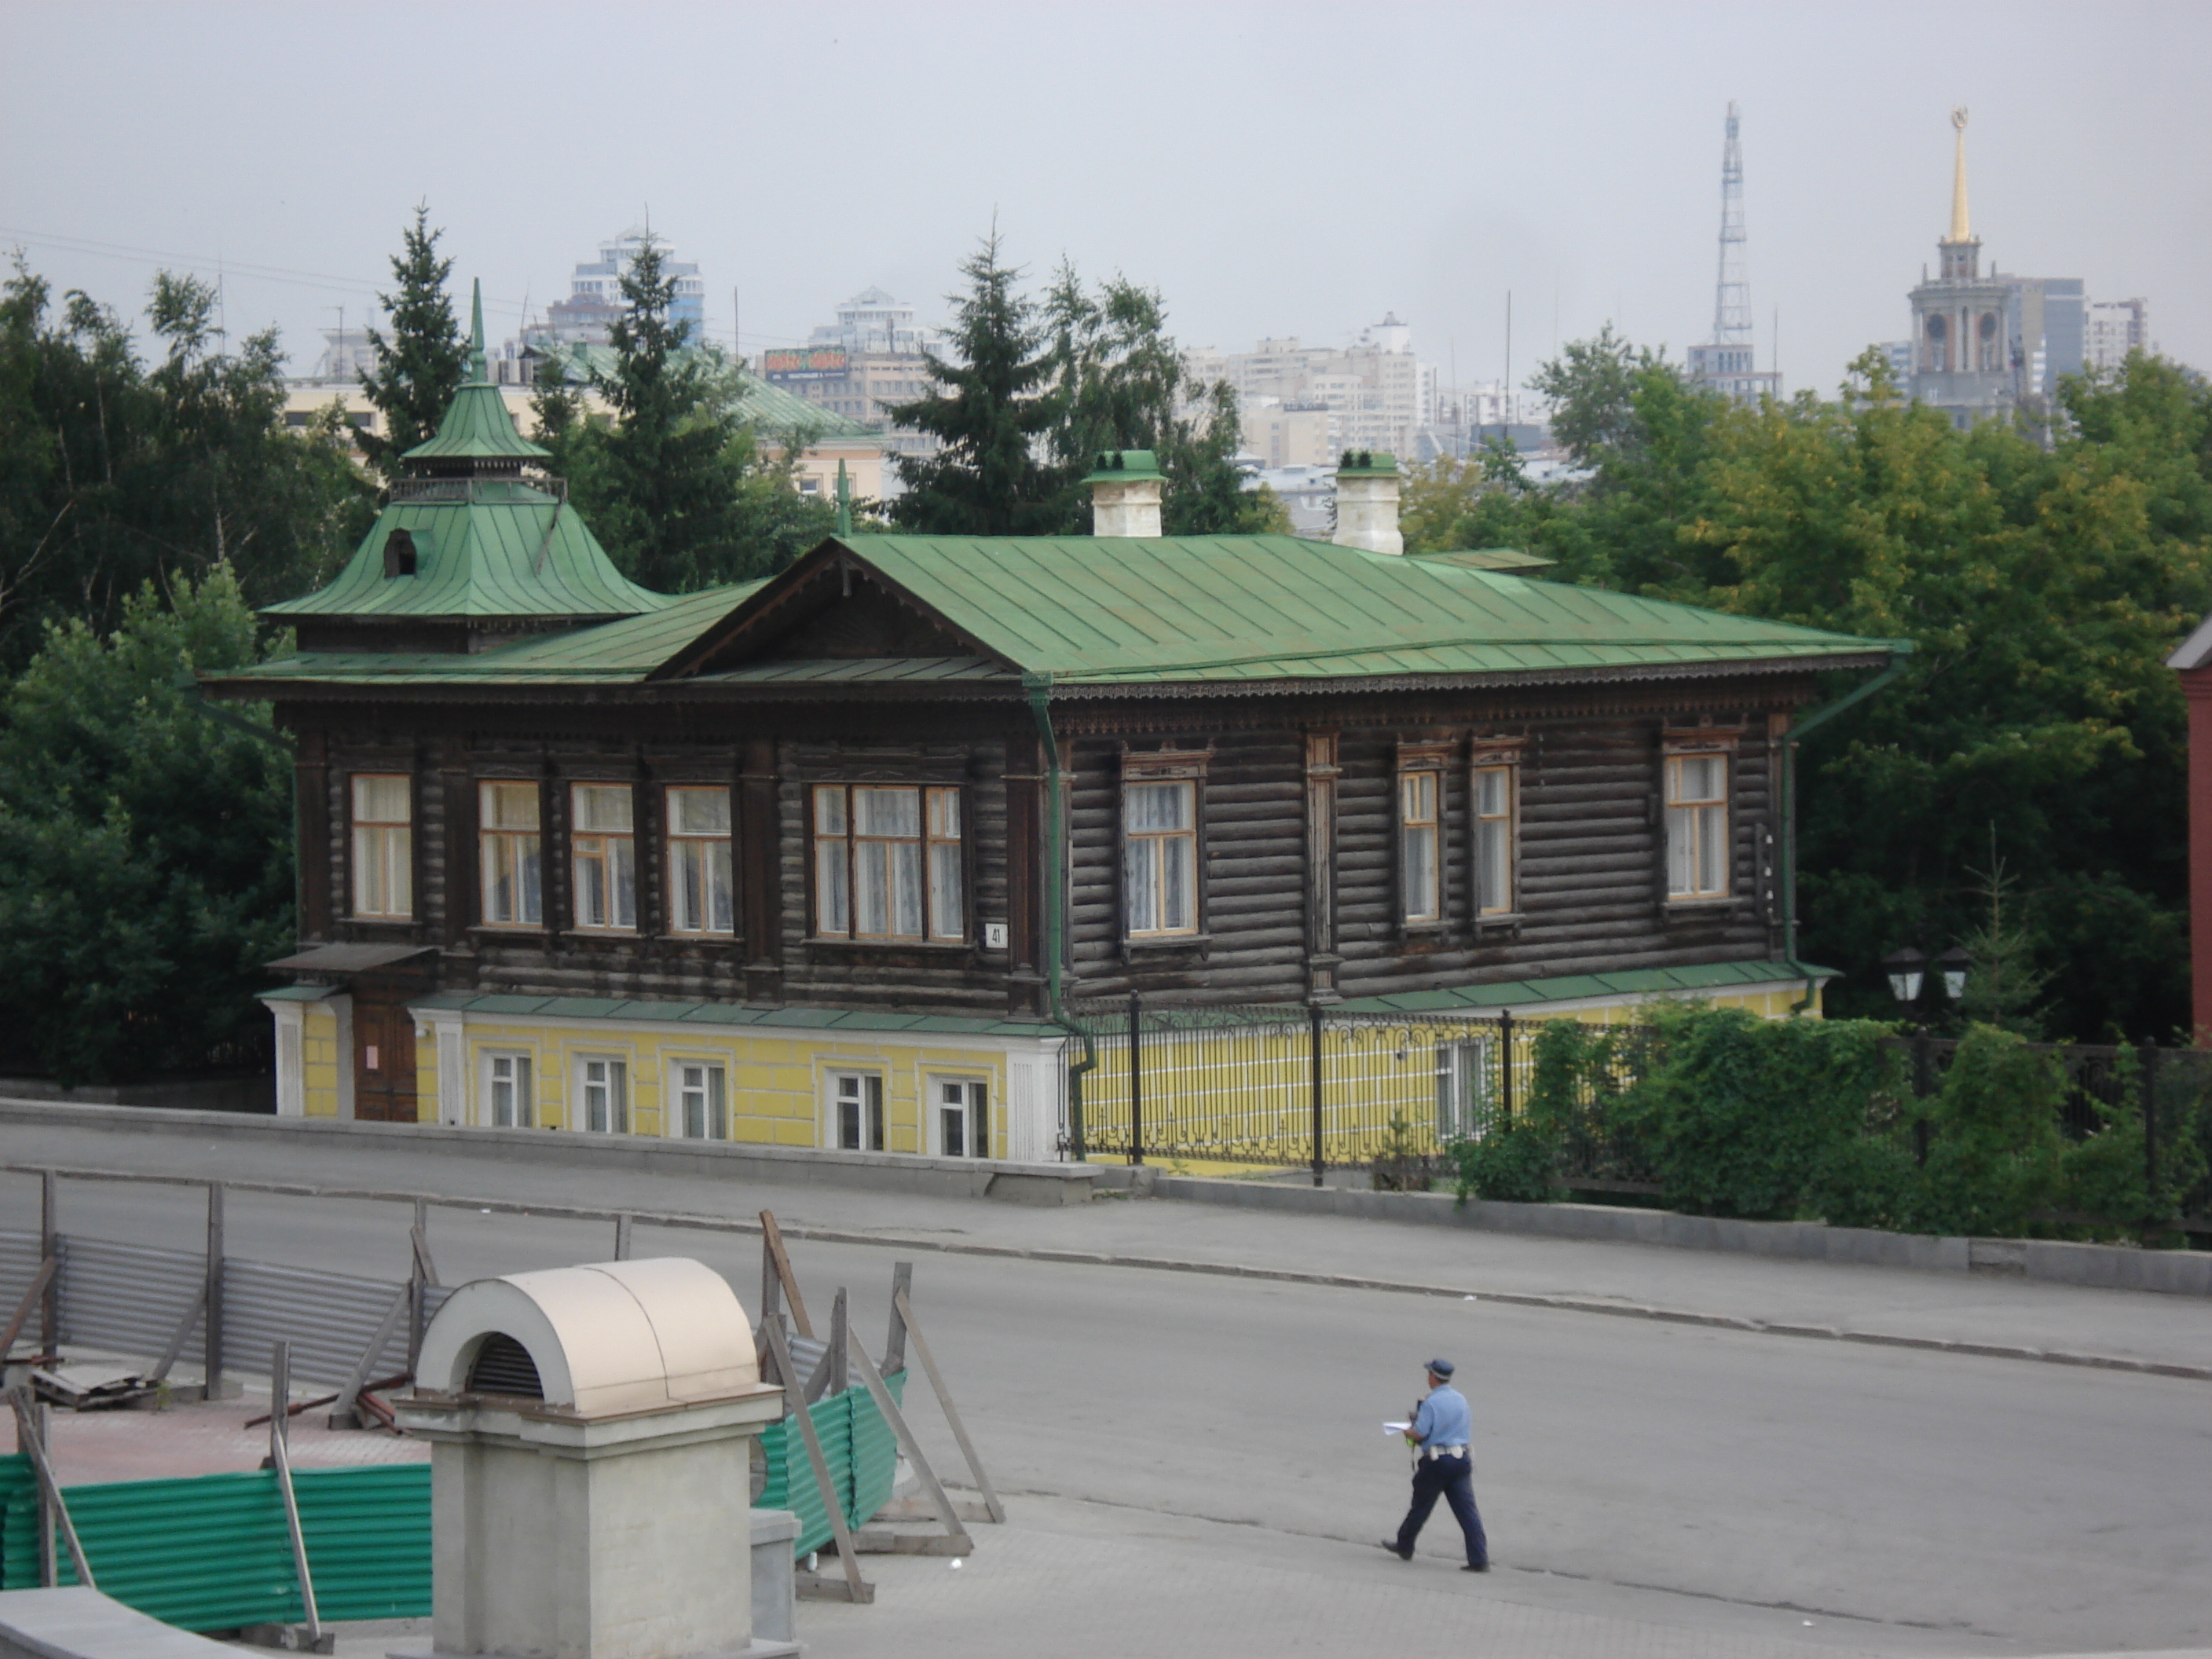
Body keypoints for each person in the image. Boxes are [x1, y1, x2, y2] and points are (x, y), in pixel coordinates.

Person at [1381, 1357, 1488, 1571]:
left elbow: (1420, 1434)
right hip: (1461, 1460)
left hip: (1437, 1462)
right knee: (1467, 1512)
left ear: (1433, 1377)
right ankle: (1479, 1559)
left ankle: (1405, 1545)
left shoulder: (1431, 1403)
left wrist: (1407, 1429)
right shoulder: (1460, 1399)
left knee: (1421, 1506)